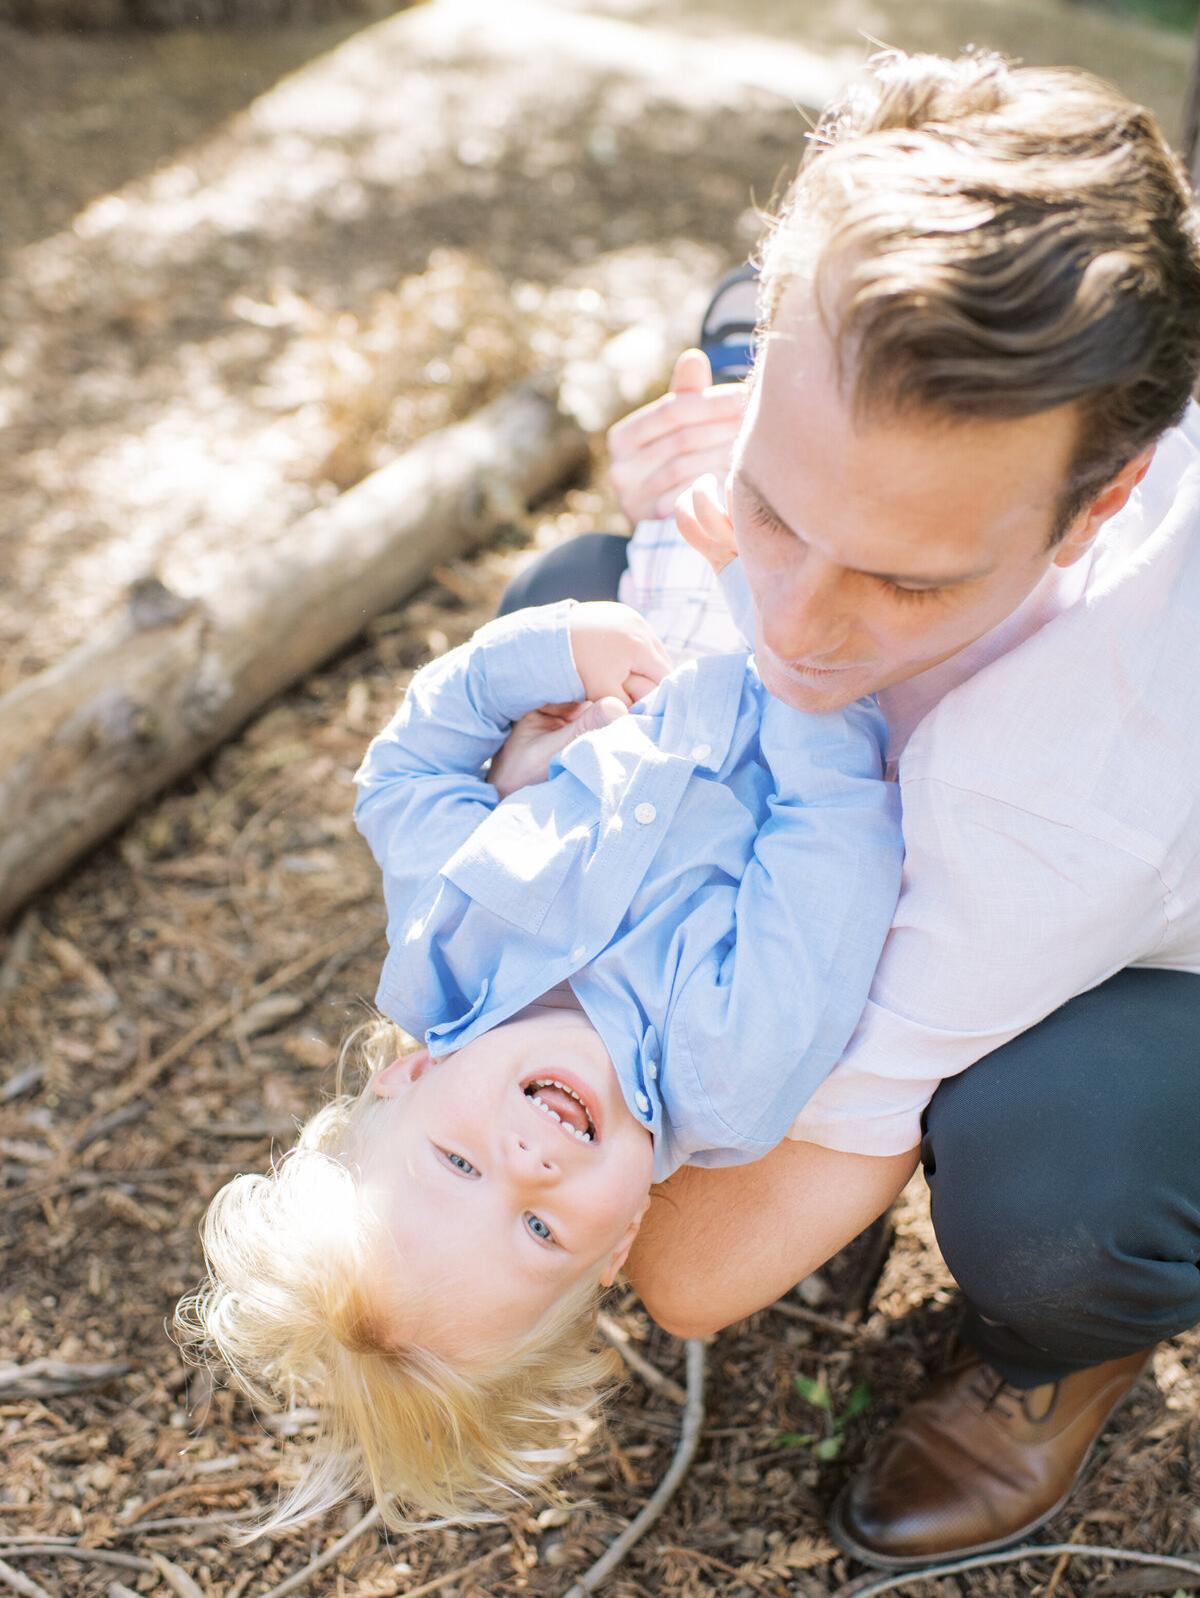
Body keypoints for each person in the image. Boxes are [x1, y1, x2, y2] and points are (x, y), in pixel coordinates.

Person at [502, 46, 1200, 1566]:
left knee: (1059, 1170)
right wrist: (685, 495)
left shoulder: (1060, 785)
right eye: (772, 502)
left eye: (906, 574)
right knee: (561, 615)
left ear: (1103, 502)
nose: (796, 626)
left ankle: (1060, 1350)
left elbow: (685, 1276)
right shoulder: (846, 359)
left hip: (1156, 947)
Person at [179, 598, 900, 1528]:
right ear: (620, 1246)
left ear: (407, 1079)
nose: (527, 1165)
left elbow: (402, 771)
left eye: (459, 1164)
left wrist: (547, 652)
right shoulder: (729, 1068)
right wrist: (789, 636)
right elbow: (837, 827)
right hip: (817, 645)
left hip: (663, 594)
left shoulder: (450, 938)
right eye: (541, 1233)